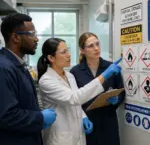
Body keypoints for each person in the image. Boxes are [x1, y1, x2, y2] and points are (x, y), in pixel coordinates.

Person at [37, 37, 122, 145]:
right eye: (63, 52)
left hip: (78, 135)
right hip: (60, 138)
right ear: (51, 58)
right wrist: (103, 76)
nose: (69, 55)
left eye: (67, 50)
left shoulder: (69, 75)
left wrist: (83, 117)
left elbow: (76, 104)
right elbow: (74, 98)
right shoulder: (46, 80)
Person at [0, 13, 56, 145]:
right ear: (15, 37)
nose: (36, 39)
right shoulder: (3, 68)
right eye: (31, 34)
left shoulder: (17, 64)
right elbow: (6, 115)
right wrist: (40, 118)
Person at [70, 32, 125, 145]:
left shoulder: (111, 67)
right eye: (91, 46)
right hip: (88, 121)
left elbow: (121, 91)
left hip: (108, 119)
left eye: (97, 44)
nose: (96, 48)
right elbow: (73, 99)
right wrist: (82, 117)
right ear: (82, 50)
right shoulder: (75, 72)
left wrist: (116, 99)